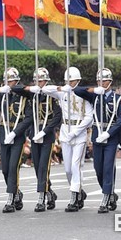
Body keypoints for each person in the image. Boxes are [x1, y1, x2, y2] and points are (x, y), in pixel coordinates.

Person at [74, 68, 121, 213]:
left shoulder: (117, 99)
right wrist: (93, 90)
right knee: (98, 169)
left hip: (110, 137)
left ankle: (105, 198)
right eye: (98, 80)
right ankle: (109, 193)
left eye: (103, 81)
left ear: (110, 82)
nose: (101, 83)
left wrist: (109, 133)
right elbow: (77, 90)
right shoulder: (95, 96)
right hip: (97, 136)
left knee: (108, 167)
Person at [0, 67, 32, 213]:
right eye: (7, 81)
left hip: (16, 137)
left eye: (12, 81)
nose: (9, 83)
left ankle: (10, 199)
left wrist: (15, 133)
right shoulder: (2, 96)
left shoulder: (24, 97)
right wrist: (0, 90)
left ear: (17, 80)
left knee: (13, 167)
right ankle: (16, 192)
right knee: (5, 170)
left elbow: (28, 119)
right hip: (3, 135)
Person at [42, 67, 93, 212]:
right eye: (68, 81)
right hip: (65, 131)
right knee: (67, 169)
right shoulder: (63, 92)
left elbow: (89, 117)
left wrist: (77, 131)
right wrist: (62, 88)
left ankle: (74, 196)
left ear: (78, 80)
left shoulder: (82, 94)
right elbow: (45, 89)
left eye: (72, 81)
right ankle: (78, 190)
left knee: (76, 165)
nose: (70, 83)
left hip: (79, 133)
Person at [11, 67, 62, 212]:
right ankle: (50, 192)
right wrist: (32, 88)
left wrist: (46, 131)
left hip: (46, 136)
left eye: (41, 81)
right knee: (38, 167)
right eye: (36, 80)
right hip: (34, 134)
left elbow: (57, 116)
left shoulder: (51, 96)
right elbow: (17, 88)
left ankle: (41, 199)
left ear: (46, 81)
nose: (38, 83)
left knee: (44, 167)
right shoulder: (32, 95)